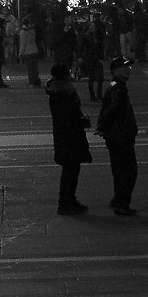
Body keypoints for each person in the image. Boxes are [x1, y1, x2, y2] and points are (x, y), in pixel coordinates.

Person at [46, 61, 92, 215]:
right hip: (70, 137)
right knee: (70, 170)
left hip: (64, 135)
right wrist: (83, 121)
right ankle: (66, 202)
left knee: (71, 169)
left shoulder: (56, 90)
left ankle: (69, 200)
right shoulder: (64, 93)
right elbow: (70, 116)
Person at [96, 54, 138, 215]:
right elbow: (112, 110)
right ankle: (121, 202)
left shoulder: (116, 86)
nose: (127, 70)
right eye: (123, 67)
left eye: (128, 67)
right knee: (128, 171)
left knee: (121, 170)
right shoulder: (118, 89)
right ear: (114, 71)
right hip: (120, 136)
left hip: (117, 135)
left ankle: (118, 200)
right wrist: (102, 126)